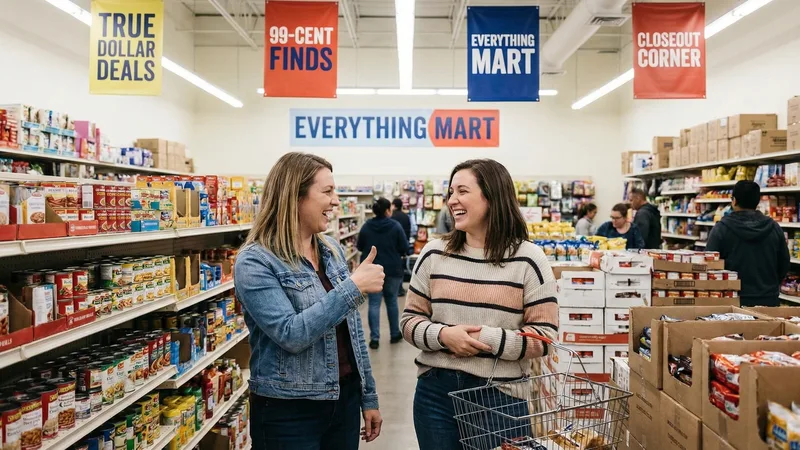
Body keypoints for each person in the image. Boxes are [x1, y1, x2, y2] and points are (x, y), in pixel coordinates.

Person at [400, 159, 559, 450]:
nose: (452, 200)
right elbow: (410, 320)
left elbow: (545, 337)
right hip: (435, 393)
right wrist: (443, 336)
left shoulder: (529, 259)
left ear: (492, 196)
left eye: (462, 191)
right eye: (450, 192)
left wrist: (485, 339)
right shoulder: (434, 254)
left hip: (501, 397)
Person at [234, 152, 383, 449]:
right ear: (295, 197)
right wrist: (353, 287)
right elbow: (291, 334)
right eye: (327, 191)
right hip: (288, 410)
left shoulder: (331, 250)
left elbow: (352, 333)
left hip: (344, 399)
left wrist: (368, 397)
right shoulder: (255, 262)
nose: (336, 201)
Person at [706, 180, 789, 307]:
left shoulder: (721, 229)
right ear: (758, 201)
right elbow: (784, 264)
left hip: (732, 302)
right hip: (768, 301)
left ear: (734, 201)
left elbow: (710, 265)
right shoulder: (774, 228)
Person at [357, 197, 409, 349]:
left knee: (374, 303)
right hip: (393, 269)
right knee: (392, 301)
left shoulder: (366, 226)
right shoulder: (395, 226)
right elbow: (404, 247)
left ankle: (374, 339)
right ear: (387, 210)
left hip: (372, 271)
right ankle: (394, 334)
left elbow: (360, 246)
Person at [391, 198, 411, 297]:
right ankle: (400, 288)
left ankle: (395, 289)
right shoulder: (406, 216)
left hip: (392, 246)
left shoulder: (391, 217)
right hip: (402, 246)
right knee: (401, 268)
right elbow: (408, 231)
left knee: (393, 269)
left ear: (394, 205)